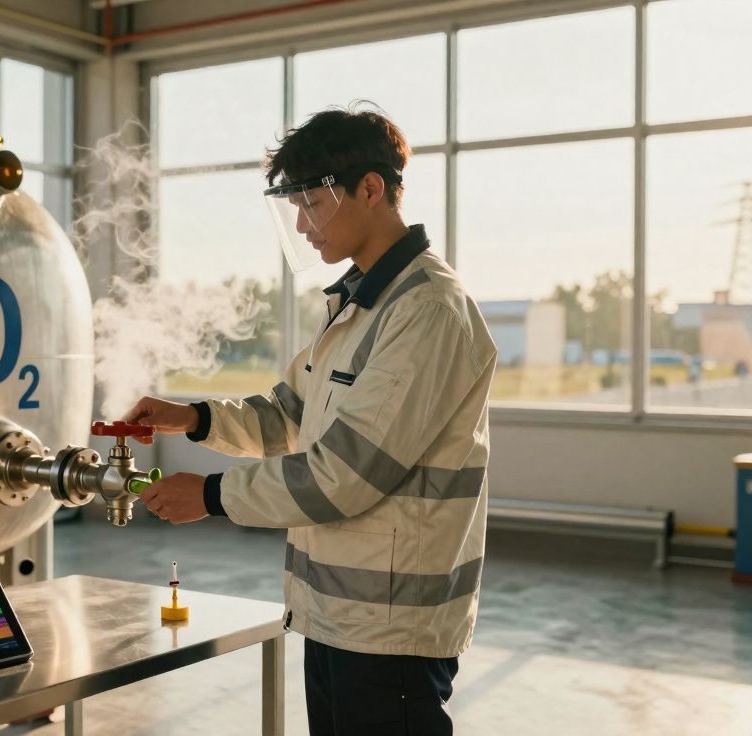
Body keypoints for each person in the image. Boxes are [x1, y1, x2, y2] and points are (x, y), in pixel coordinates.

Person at [124, 105, 497, 735]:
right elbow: (285, 416)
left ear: (371, 189)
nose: (301, 226)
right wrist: (190, 417)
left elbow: (343, 475)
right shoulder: (358, 305)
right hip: (336, 614)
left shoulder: (426, 309)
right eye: (293, 205)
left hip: (391, 627)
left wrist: (209, 496)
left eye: (313, 203)